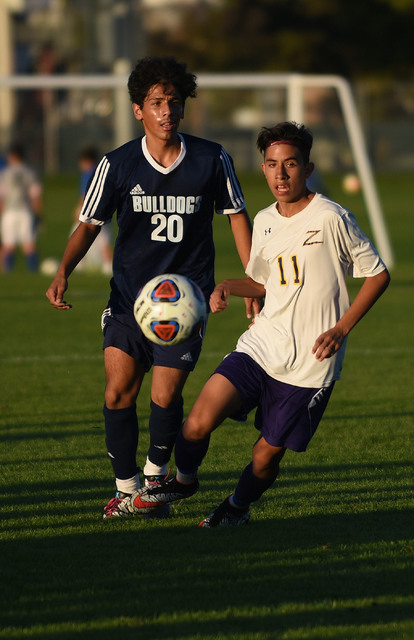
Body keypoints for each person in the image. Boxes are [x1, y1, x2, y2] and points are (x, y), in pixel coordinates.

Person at [117, 121, 391, 527]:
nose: (281, 174)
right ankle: (185, 481)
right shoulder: (263, 220)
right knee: (196, 423)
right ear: (262, 168)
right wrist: (230, 286)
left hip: (310, 364)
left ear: (308, 168)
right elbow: (263, 280)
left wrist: (341, 328)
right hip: (261, 345)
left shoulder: (332, 217)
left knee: (265, 457)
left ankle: (236, 507)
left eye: (291, 164)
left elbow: (378, 274)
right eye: (271, 164)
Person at [45, 56, 259, 519]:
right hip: (128, 300)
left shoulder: (211, 158)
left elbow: (237, 216)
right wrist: (64, 269)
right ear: (139, 110)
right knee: (117, 392)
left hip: (186, 303)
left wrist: (252, 280)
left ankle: (155, 481)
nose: (167, 110)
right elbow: (88, 224)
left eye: (174, 102)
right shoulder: (117, 164)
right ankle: (127, 489)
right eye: (157, 102)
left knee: (164, 395)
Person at [0, 144, 42, 273]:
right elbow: (35, 196)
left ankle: (8, 272)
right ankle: (33, 272)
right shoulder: (29, 172)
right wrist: (38, 215)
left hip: (9, 211)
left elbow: (2, 196)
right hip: (25, 211)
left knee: (8, 244)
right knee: (29, 243)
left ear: (12, 156)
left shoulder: (5, 173)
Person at [72, 146, 113, 275]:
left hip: (92, 211)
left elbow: (86, 194)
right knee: (103, 240)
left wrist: (79, 210)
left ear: (86, 160)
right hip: (105, 209)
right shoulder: (102, 170)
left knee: (80, 236)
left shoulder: (88, 174)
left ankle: (78, 263)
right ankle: (107, 265)